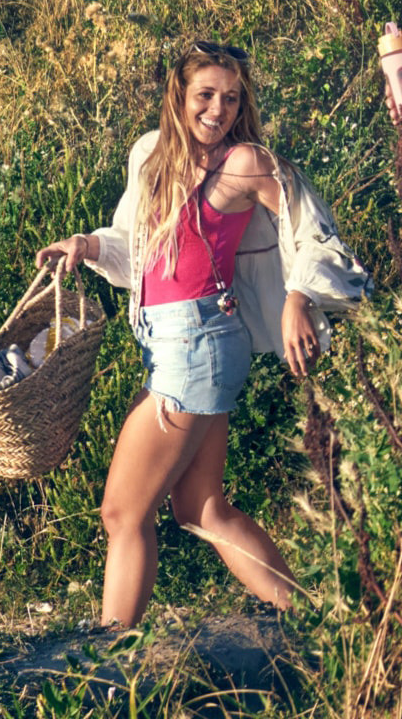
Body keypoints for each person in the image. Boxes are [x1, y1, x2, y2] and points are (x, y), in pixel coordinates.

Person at [34, 40, 371, 630]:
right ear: (179, 97)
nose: (218, 110)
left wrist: (299, 296)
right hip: (175, 342)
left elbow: (314, 231)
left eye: (232, 98)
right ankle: (317, 624)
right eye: (206, 95)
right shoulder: (151, 155)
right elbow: (131, 243)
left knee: (122, 511)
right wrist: (84, 246)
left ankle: (114, 660)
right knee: (201, 507)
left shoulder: (246, 163)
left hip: (199, 344)